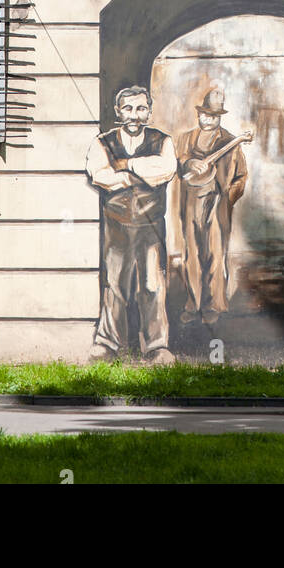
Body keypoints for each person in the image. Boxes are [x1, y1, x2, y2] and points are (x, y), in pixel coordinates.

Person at [85, 85, 176, 363]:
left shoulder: (163, 141)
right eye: (128, 109)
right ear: (118, 112)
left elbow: (166, 170)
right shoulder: (103, 142)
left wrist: (127, 166)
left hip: (150, 226)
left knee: (152, 285)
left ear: (149, 111)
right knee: (115, 285)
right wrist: (136, 175)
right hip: (117, 225)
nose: (134, 115)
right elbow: (99, 175)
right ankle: (107, 345)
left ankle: (157, 346)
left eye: (140, 109)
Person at [176, 86, 249, 326]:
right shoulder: (186, 139)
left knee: (216, 254)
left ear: (219, 118)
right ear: (199, 115)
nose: (208, 119)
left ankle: (215, 305)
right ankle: (193, 304)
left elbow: (241, 177)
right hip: (190, 204)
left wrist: (227, 197)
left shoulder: (230, 142)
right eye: (204, 114)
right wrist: (188, 164)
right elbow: (177, 164)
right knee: (192, 254)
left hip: (217, 205)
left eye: (213, 116)